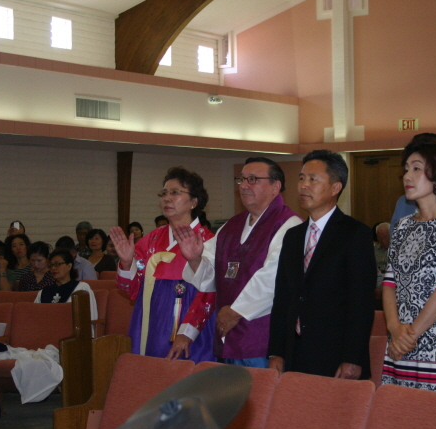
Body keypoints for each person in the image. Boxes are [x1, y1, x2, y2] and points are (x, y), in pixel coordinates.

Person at [174, 157, 301, 367]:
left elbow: (273, 278)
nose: (243, 185)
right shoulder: (230, 226)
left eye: (253, 179)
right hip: (227, 335)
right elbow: (210, 275)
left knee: (260, 388)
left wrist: (235, 312)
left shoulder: (290, 224)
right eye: (241, 179)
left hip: (263, 337)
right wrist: (195, 258)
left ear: (275, 186)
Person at [268, 150, 376, 379]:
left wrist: (352, 358)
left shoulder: (355, 234)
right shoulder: (293, 236)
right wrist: (276, 352)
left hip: (336, 355)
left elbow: (361, 303)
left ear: (335, 187)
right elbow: (283, 298)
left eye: (312, 179)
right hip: (295, 352)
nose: (303, 185)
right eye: (301, 178)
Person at [382, 140, 436, 393]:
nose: (407, 176)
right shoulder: (402, 226)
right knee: (396, 413)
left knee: (432, 417)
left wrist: (408, 336)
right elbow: (389, 283)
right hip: (399, 344)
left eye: (416, 168)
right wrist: (394, 329)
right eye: (406, 169)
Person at [110, 166, 217, 362]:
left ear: (194, 201)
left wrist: (187, 333)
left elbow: (210, 292)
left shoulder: (207, 240)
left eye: (175, 192)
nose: (167, 198)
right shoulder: (150, 240)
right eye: (164, 193)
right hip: (151, 320)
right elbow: (132, 290)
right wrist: (127, 262)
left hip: (189, 322)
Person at [34, 249, 97, 321]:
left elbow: (91, 317)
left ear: (69, 266)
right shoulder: (44, 292)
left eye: (57, 264)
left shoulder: (81, 288)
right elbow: (36, 317)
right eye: (51, 265)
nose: (53, 268)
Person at [374, 222, 390, 287]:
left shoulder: (399, 250)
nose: (383, 241)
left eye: (386, 237)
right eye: (380, 238)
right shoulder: (374, 250)